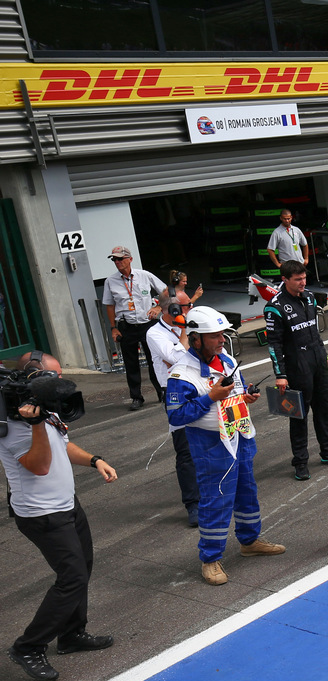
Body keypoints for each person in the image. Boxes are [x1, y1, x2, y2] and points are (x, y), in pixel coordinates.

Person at [1, 351, 116, 681]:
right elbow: (39, 465)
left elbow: (62, 444)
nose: (62, 383)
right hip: (41, 514)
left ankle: (71, 635)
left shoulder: (45, 412)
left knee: (84, 568)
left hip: (67, 504)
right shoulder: (14, 425)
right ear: (36, 381)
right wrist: (36, 424)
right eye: (56, 378)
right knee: (72, 578)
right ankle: (28, 646)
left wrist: (94, 459)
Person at [166, 307, 285, 585]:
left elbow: (237, 392)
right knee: (216, 499)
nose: (221, 340)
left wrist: (247, 395)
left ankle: (250, 541)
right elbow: (176, 415)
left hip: (240, 436)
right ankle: (210, 559)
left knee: (247, 491)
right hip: (210, 445)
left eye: (222, 334)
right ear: (196, 339)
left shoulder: (227, 359)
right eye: (214, 336)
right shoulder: (181, 374)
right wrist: (210, 397)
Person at [264, 259, 328, 480]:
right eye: (298, 279)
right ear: (285, 280)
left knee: (323, 409)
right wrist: (281, 375)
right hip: (297, 367)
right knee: (299, 416)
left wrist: (324, 357)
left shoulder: (310, 297)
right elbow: (274, 345)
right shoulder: (274, 306)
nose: (303, 282)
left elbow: (314, 331)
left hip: (318, 360)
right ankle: (300, 461)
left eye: (304, 278)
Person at [145, 292, 200, 526]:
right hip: (176, 389)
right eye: (184, 307)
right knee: (185, 448)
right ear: (172, 311)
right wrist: (186, 332)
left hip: (201, 383)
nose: (190, 309)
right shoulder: (154, 333)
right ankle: (193, 504)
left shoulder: (196, 321)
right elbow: (175, 358)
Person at [101, 246, 169, 411]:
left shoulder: (144, 275)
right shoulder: (110, 281)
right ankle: (136, 397)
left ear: (130, 259)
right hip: (127, 325)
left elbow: (166, 291)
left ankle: (161, 390)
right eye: (114, 260)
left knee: (155, 360)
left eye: (120, 259)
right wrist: (113, 328)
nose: (117, 262)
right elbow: (110, 305)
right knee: (131, 364)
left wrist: (159, 308)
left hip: (148, 324)